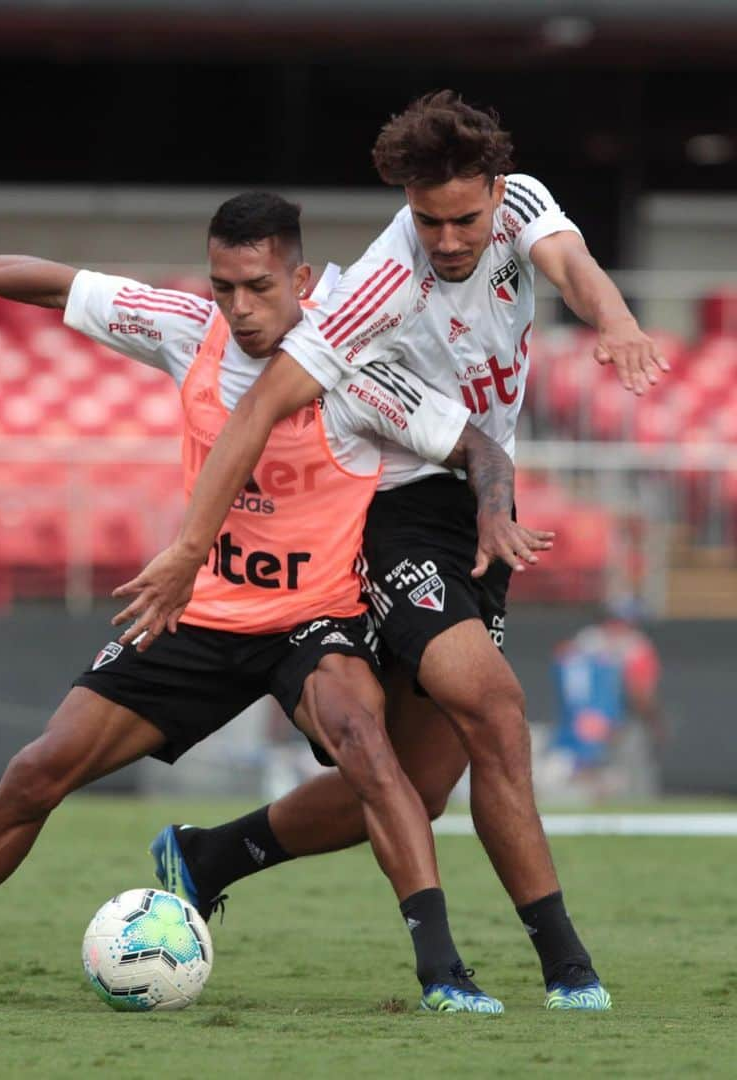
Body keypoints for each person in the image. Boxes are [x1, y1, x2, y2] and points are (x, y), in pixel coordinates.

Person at [0, 191, 548, 1011]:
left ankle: (443, 974)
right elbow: (52, 282)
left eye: (258, 287)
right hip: (199, 611)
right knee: (38, 770)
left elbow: (475, 446)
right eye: (225, 288)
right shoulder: (187, 329)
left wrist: (496, 507)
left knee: (368, 747)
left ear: (303, 277)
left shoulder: (355, 360)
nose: (241, 309)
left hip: (315, 619)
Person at [121, 91, 668, 1010]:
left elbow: (571, 267)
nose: (448, 239)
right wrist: (187, 547)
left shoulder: (523, 206)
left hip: (477, 505)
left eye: (464, 218)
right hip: (392, 513)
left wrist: (612, 319)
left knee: (423, 786)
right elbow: (258, 408)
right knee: (495, 708)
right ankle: (567, 965)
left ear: (497, 191)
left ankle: (210, 853)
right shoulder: (380, 280)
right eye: (427, 221)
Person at [544, 599, 665, 796]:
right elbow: (641, 693)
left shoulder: (588, 640)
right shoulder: (631, 646)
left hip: (591, 719)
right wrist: (655, 721)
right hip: (608, 719)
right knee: (617, 773)